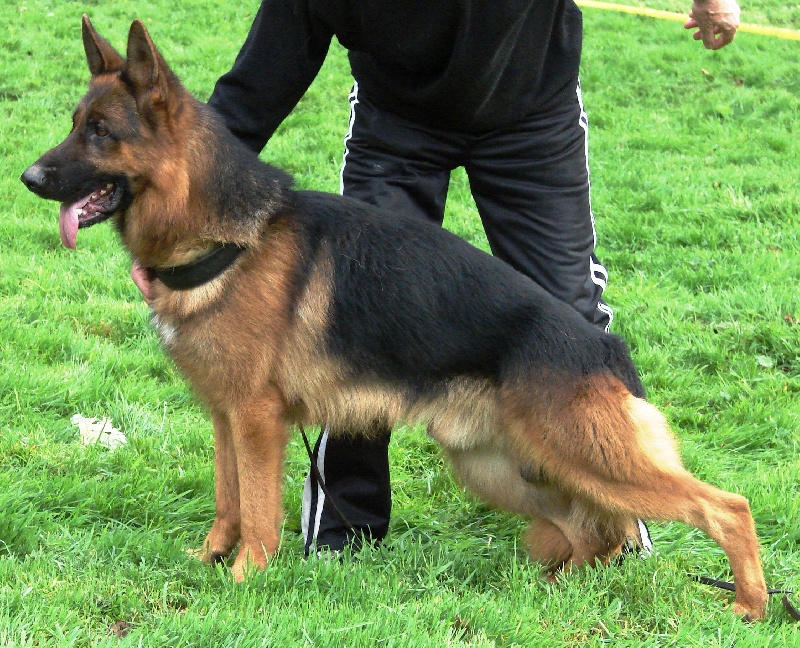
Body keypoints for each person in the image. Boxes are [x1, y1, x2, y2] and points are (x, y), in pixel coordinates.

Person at [132, 0, 741, 555]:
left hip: (530, 109)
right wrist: (181, 236)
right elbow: (257, 85)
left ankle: (615, 520)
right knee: (348, 321)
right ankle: (345, 530)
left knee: (569, 310)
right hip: (396, 121)